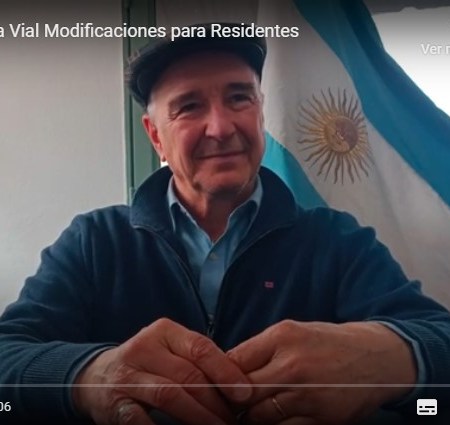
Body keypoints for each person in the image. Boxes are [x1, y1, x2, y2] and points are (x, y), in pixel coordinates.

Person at [1, 22, 450, 425]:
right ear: (155, 136)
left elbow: (439, 338)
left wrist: (385, 358)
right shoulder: (94, 241)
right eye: (189, 106)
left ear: (260, 112)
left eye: (239, 98)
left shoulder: (338, 239)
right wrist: (91, 377)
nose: (220, 127)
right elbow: (8, 354)